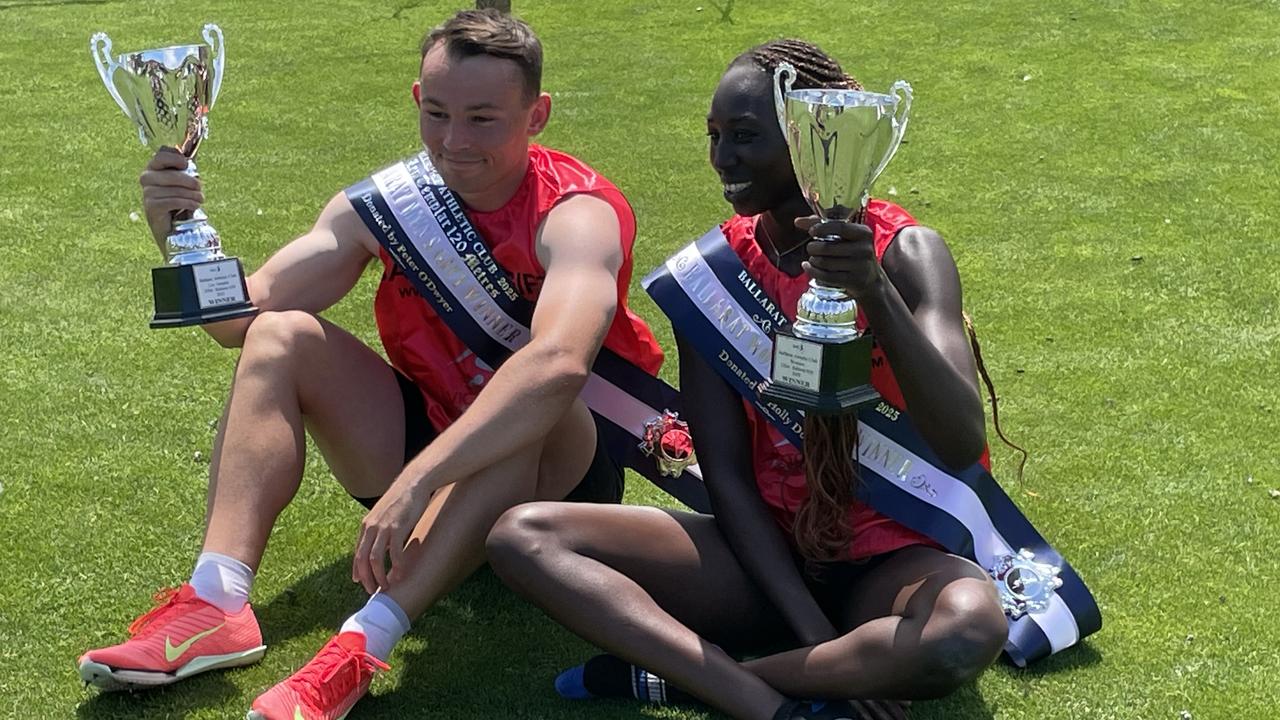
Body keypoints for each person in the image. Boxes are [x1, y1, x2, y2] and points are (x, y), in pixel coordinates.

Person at [77, 9, 665, 720]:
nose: (454, 142)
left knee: (537, 399)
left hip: (554, 483)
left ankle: (361, 644)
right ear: (418, 100)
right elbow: (241, 321)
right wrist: (179, 235)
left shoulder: (578, 213)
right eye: (439, 113)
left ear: (536, 115)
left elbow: (562, 363)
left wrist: (420, 478)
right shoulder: (390, 202)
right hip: (418, 466)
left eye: (484, 119)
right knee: (281, 336)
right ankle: (217, 601)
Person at [485, 39, 1013, 720]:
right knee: (521, 537)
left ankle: (691, 680)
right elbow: (727, 478)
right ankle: (775, 703)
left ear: (812, 137)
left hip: (894, 563)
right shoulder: (712, 274)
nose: (721, 158)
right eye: (714, 135)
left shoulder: (905, 252)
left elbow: (960, 440)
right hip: (760, 558)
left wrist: (874, 293)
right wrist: (819, 638)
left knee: (966, 629)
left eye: (745, 136)